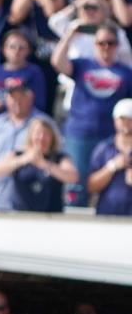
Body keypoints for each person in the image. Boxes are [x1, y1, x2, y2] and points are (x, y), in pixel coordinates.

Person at [52, 23, 132, 207]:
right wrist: (70, 35)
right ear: (94, 44)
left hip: (111, 138)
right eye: (101, 43)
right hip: (79, 133)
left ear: (117, 46)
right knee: (76, 186)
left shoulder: (126, 73)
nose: (105, 47)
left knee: (111, 181)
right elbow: (58, 62)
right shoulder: (83, 64)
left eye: (110, 43)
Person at [0, 78, 57, 210]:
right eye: (12, 97)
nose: (17, 101)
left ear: (30, 96)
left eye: (21, 96)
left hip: (33, 205)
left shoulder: (44, 124)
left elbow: (57, 155)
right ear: (7, 99)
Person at [0, 118, 78, 213]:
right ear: (30, 136)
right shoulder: (18, 154)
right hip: (21, 215)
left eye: (46, 134)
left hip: (51, 216)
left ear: (52, 137)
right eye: (38, 133)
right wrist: (23, 160)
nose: (41, 137)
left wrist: (45, 164)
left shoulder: (59, 158)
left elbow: (73, 177)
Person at [0, 30, 49, 124]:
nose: (16, 51)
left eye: (21, 48)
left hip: (25, 122)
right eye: (12, 47)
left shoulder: (34, 72)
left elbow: (39, 103)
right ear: (3, 49)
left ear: (28, 50)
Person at [88, 97, 132, 215]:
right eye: (122, 119)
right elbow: (91, 186)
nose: (126, 123)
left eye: (130, 119)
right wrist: (112, 166)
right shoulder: (103, 149)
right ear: (114, 120)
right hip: (107, 218)